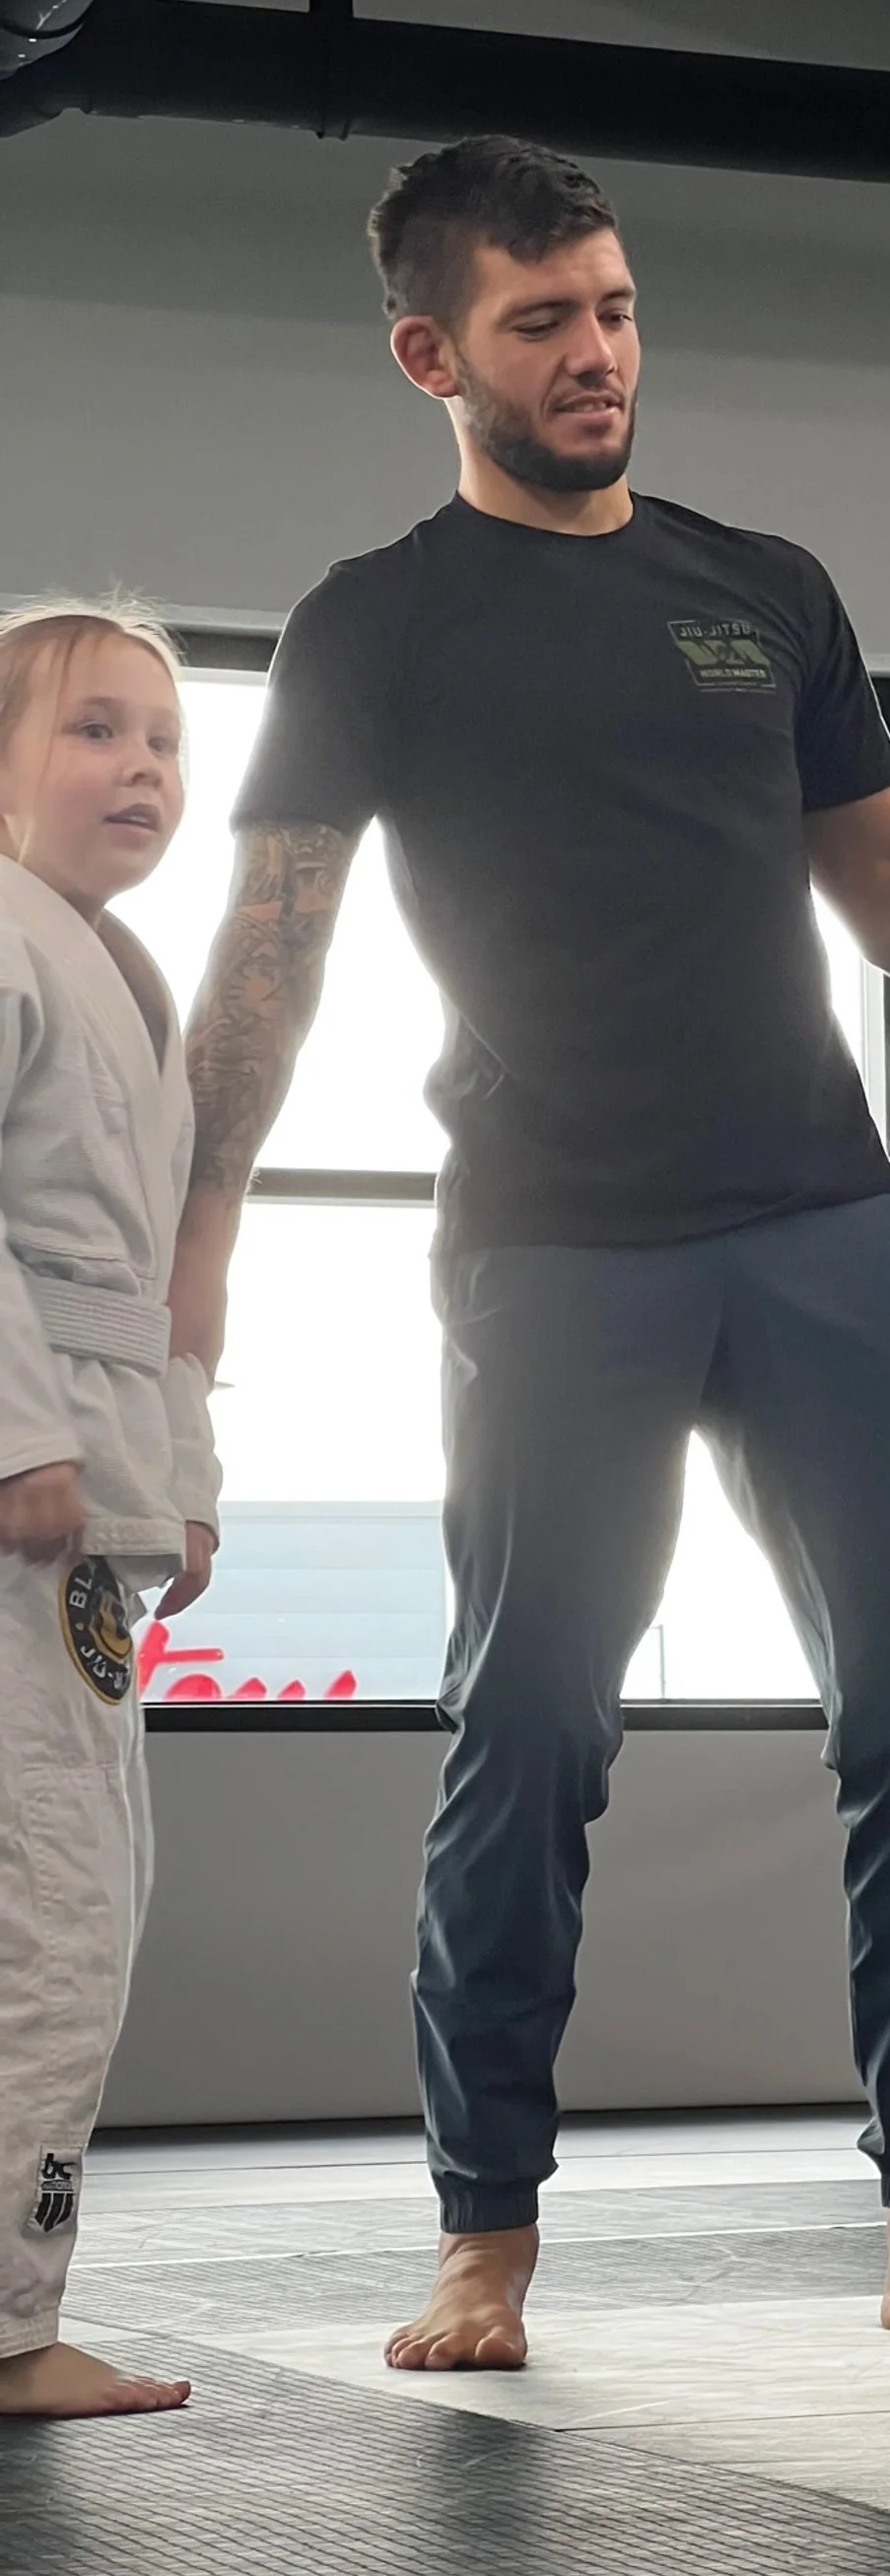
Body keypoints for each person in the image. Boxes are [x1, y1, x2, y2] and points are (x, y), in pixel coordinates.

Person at [167, 133, 890, 2367]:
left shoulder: (763, 589)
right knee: (530, 1723)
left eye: (613, 309)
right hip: (552, 1240)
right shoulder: (372, 622)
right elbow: (270, 961)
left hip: (819, 1219)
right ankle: (483, 2239)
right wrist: (205, 1243)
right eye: (540, 323)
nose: (595, 354)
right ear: (430, 355)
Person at [0, 603, 221, 2419]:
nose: (141, 766)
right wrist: (16, 1437)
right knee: (52, 1913)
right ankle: (7, 2324)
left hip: (87, 1490)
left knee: (79, 1895)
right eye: (94, 731)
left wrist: (181, 1482)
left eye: (164, 738)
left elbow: (150, 1294)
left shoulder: (117, 972)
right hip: (28, 1501)